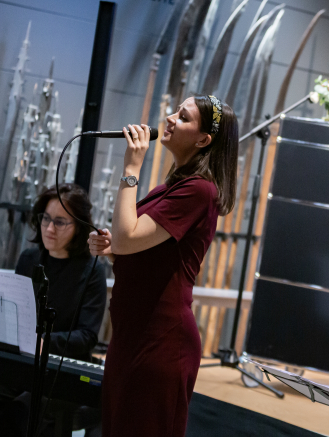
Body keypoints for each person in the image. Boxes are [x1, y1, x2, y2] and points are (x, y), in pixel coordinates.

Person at [87, 95, 238, 437]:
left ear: (203, 140)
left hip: (161, 341)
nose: (169, 118)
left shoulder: (199, 191)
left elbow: (128, 237)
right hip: (131, 334)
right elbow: (135, 246)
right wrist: (113, 249)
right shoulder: (172, 186)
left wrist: (131, 169)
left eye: (183, 117)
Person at [0, 183, 107, 436]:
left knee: (22, 411)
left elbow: (87, 336)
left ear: (79, 227)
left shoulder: (92, 270)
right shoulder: (29, 259)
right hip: (24, 363)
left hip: (60, 372)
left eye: (60, 222)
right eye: (46, 218)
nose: (49, 228)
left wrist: (43, 343)